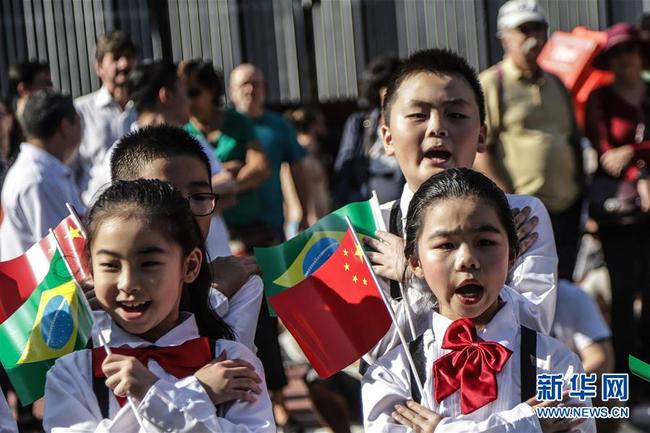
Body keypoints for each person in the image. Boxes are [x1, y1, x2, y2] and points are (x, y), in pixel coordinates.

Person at [362, 168, 595, 433]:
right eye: (446, 245)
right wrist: (527, 424)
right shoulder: (392, 375)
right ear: (415, 263)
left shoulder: (556, 364)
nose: (467, 260)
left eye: (485, 242)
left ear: (511, 256)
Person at [363, 48, 557, 364]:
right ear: (387, 137)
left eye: (455, 115)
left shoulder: (520, 215)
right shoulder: (370, 229)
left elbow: (532, 327)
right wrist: (425, 279)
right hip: (411, 410)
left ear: (481, 135)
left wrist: (417, 277)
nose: (437, 128)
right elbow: (373, 357)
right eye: (418, 115)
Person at [44, 179, 274, 432]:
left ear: (190, 266)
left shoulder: (232, 362)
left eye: (149, 264)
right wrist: (194, 392)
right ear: (91, 270)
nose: (128, 283)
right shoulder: (72, 374)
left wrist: (154, 393)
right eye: (110, 265)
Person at [109, 125, 262, 350]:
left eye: (200, 197)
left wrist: (214, 293)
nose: (186, 213)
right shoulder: (102, 289)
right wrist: (216, 293)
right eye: (167, 196)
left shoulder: (240, 283)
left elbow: (229, 369)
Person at [475, 0, 585, 281]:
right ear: (504, 39)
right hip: (523, 215)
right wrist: (509, 201)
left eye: (539, 28)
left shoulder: (558, 82)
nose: (535, 37)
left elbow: (572, 139)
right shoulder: (492, 84)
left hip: (565, 209)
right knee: (527, 291)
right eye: (525, 29)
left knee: (564, 289)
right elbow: (481, 149)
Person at [87, 60, 235, 258]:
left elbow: (229, 188)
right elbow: (104, 213)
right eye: (185, 91)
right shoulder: (120, 155)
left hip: (215, 267)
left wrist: (165, 195)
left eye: (199, 196)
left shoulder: (192, 142)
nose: (189, 101)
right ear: (166, 95)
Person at [585, 21, 650, 395]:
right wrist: (637, 172)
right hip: (619, 216)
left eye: (630, 51)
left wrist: (637, 155)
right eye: (618, 53)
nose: (625, 59)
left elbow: (627, 152)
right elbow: (607, 153)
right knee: (623, 298)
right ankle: (630, 382)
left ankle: (648, 375)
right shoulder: (601, 99)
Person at [180, 60, 271, 252]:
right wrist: (224, 179)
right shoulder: (181, 131)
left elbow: (260, 169)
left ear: (212, 90)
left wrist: (215, 189)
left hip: (248, 229)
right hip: (206, 235)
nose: (187, 101)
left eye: (194, 93)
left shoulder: (238, 122)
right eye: (183, 94)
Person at [0, 90, 84, 260]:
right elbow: (60, 254)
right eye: (79, 121)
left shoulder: (43, 171)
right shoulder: (39, 179)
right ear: (65, 127)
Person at [229, 63, 307, 243]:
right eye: (244, 84)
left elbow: (298, 169)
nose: (250, 90)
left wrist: (304, 212)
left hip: (271, 224)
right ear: (232, 91)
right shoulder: (223, 128)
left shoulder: (279, 126)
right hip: (232, 225)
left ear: (264, 88)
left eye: (255, 84)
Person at [74, 30, 138, 202]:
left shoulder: (146, 108)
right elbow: (70, 170)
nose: (124, 64)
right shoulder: (81, 111)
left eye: (129, 56)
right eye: (116, 58)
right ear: (99, 67)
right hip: (94, 213)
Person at [333, 55, 403, 205]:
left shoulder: (411, 122)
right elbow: (344, 168)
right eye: (386, 88)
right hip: (365, 206)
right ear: (377, 90)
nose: (391, 94)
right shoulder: (359, 123)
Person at [284, 107, 331, 227]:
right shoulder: (303, 158)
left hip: (307, 220)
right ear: (314, 126)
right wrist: (311, 219)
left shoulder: (303, 155)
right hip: (309, 223)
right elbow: (307, 190)